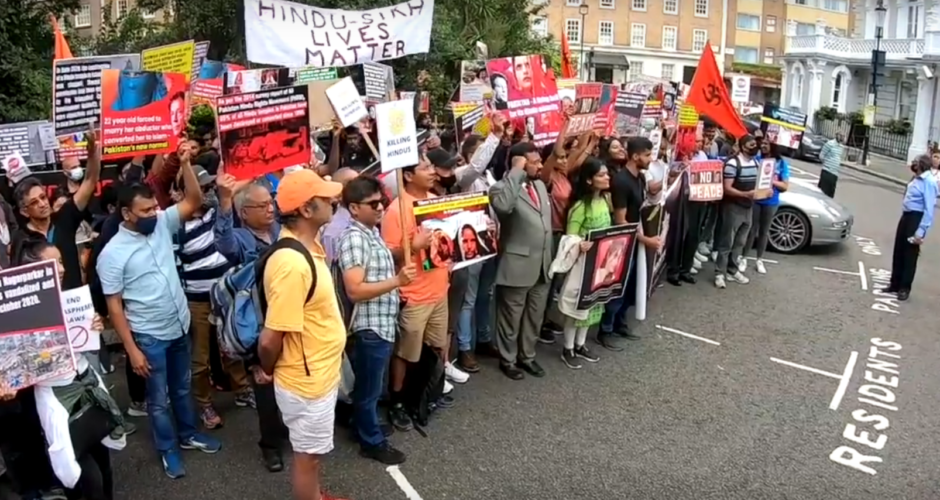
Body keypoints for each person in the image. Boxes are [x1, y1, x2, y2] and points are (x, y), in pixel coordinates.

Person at [98, 148, 221, 479]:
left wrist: (183, 164)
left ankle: (189, 434)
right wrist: (132, 349)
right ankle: (168, 450)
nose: (155, 212)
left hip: (180, 326)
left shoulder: (163, 223)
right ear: (127, 214)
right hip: (149, 337)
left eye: (155, 206)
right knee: (158, 399)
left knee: (181, 388)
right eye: (146, 210)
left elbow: (193, 199)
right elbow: (114, 306)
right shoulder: (112, 254)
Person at [257, 169, 348, 500]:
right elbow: (270, 339)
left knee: (313, 453)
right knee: (307, 458)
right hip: (306, 382)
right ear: (306, 210)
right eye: (325, 197)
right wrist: (266, 369)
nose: (333, 200)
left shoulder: (309, 245)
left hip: (318, 373)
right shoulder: (291, 263)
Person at [337, 177, 416, 465]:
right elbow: (355, 290)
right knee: (368, 391)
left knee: (369, 388)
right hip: (369, 329)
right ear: (354, 208)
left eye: (381, 200)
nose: (381, 206)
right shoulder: (355, 238)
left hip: (380, 325)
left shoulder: (370, 232)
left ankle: (363, 426)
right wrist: (397, 281)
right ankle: (370, 441)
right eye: (373, 203)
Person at [381, 159, 454, 429]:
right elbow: (388, 255)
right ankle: (397, 402)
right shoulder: (395, 210)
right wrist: (412, 246)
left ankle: (426, 395)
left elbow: (447, 240)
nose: (433, 171)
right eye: (426, 168)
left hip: (439, 289)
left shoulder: (434, 200)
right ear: (408, 175)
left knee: (436, 347)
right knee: (405, 354)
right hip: (413, 296)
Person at [489, 141, 553, 380]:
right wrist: (516, 171)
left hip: (543, 264)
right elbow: (504, 207)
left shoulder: (539, 185)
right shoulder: (501, 188)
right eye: (534, 161)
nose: (540, 165)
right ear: (520, 162)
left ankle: (527, 356)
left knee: (534, 316)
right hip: (518, 264)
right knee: (511, 317)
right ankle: (508, 359)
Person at [10, 125, 100, 291]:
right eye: (34, 202)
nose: (43, 204)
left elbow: (90, 181)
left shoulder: (64, 218)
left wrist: (93, 152)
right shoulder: (22, 239)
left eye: (43, 197)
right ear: (24, 211)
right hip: (46, 307)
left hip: (76, 303)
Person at [601, 137, 656, 349]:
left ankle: (620, 323)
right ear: (635, 156)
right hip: (622, 243)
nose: (650, 159)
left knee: (632, 285)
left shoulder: (640, 178)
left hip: (635, 240)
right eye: (647, 155)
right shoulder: (621, 182)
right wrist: (646, 240)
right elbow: (620, 221)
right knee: (618, 287)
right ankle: (606, 329)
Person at [560, 158, 609, 369]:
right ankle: (567, 347)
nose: (607, 177)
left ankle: (581, 344)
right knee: (577, 306)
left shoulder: (605, 200)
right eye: (601, 175)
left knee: (593, 303)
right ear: (589, 180)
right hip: (582, 266)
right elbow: (569, 237)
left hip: (601, 264)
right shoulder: (580, 207)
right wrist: (580, 245)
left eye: (607, 174)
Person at [882, 155, 937, 301]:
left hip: (916, 218)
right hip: (906, 216)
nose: (913, 164)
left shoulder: (929, 182)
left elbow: (929, 210)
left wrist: (920, 232)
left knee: (910, 254)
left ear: (922, 164)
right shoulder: (915, 178)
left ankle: (904, 288)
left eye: (916, 162)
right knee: (899, 250)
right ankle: (894, 284)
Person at [714, 135, 759, 289]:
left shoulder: (755, 162)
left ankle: (732, 270)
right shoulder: (733, 163)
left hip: (748, 208)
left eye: (755, 144)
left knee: (740, 242)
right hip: (733, 207)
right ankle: (719, 273)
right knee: (727, 241)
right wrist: (745, 194)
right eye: (751, 144)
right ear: (743, 146)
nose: (754, 147)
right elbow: (727, 188)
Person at [745, 141, 789, 275]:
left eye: (765, 144)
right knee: (751, 229)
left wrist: (771, 180)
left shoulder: (781, 163)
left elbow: (785, 186)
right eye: (762, 143)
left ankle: (759, 259)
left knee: (764, 231)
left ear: (773, 146)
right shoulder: (757, 159)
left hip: (771, 202)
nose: (762, 146)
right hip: (757, 199)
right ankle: (744, 257)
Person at [320, 168, 362, 262]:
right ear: (338, 194)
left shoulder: (368, 220)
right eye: (351, 184)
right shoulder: (333, 232)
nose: (360, 188)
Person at [818, 132, 844, 198]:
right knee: (822, 192)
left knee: (830, 194)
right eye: (841, 135)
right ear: (837, 135)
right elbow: (821, 155)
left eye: (843, 136)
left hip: (834, 174)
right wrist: (827, 163)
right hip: (827, 171)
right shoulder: (830, 144)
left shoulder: (841, 147)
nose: (842, 138)